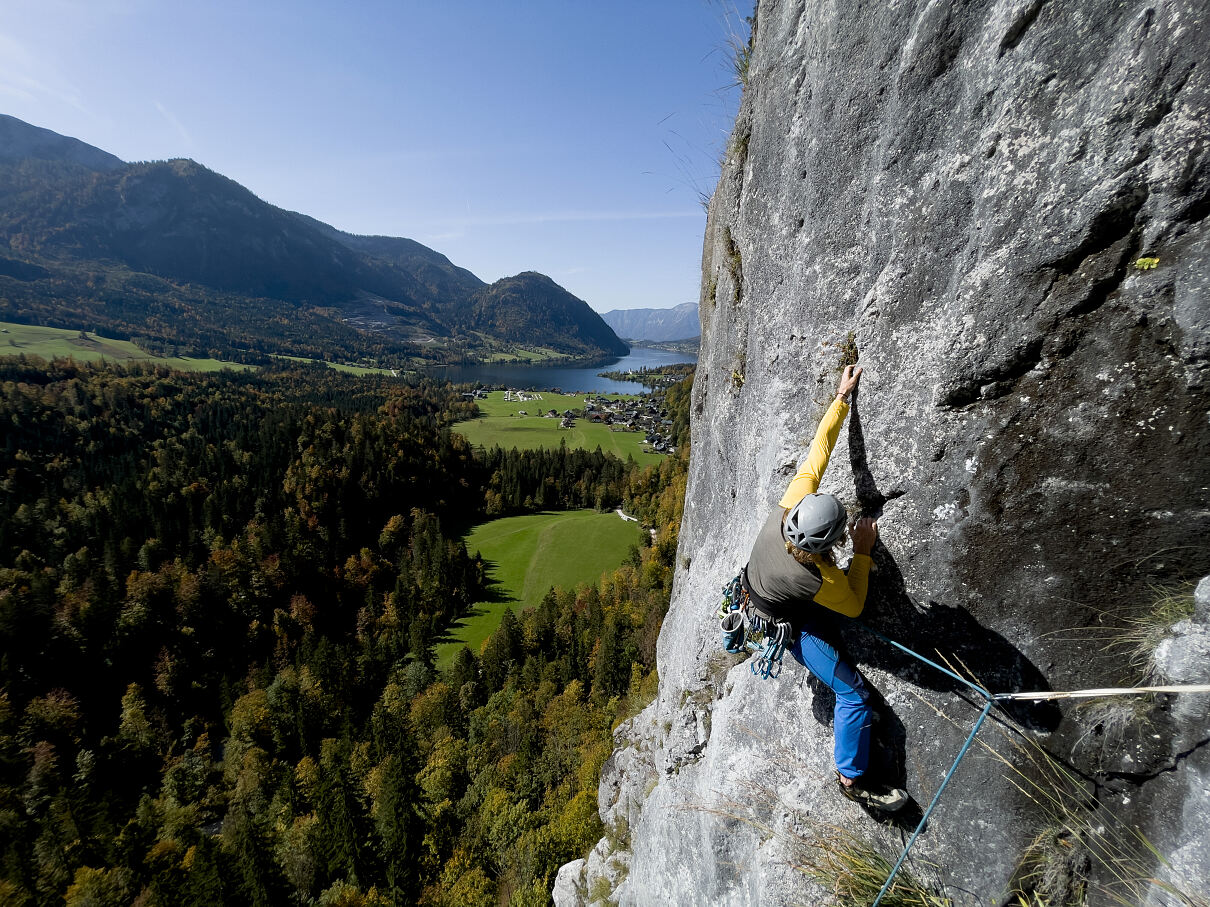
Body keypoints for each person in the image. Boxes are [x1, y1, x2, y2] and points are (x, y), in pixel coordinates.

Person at [742, 364, 907, 812]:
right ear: (831, 543)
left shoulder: (787, 507)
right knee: (855, 695)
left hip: (758, 591)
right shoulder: (820, 578)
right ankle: (851, 778)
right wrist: (864, 552)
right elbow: (853, 607)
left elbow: (819, 452)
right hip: (786, 622)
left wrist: (841, 398)